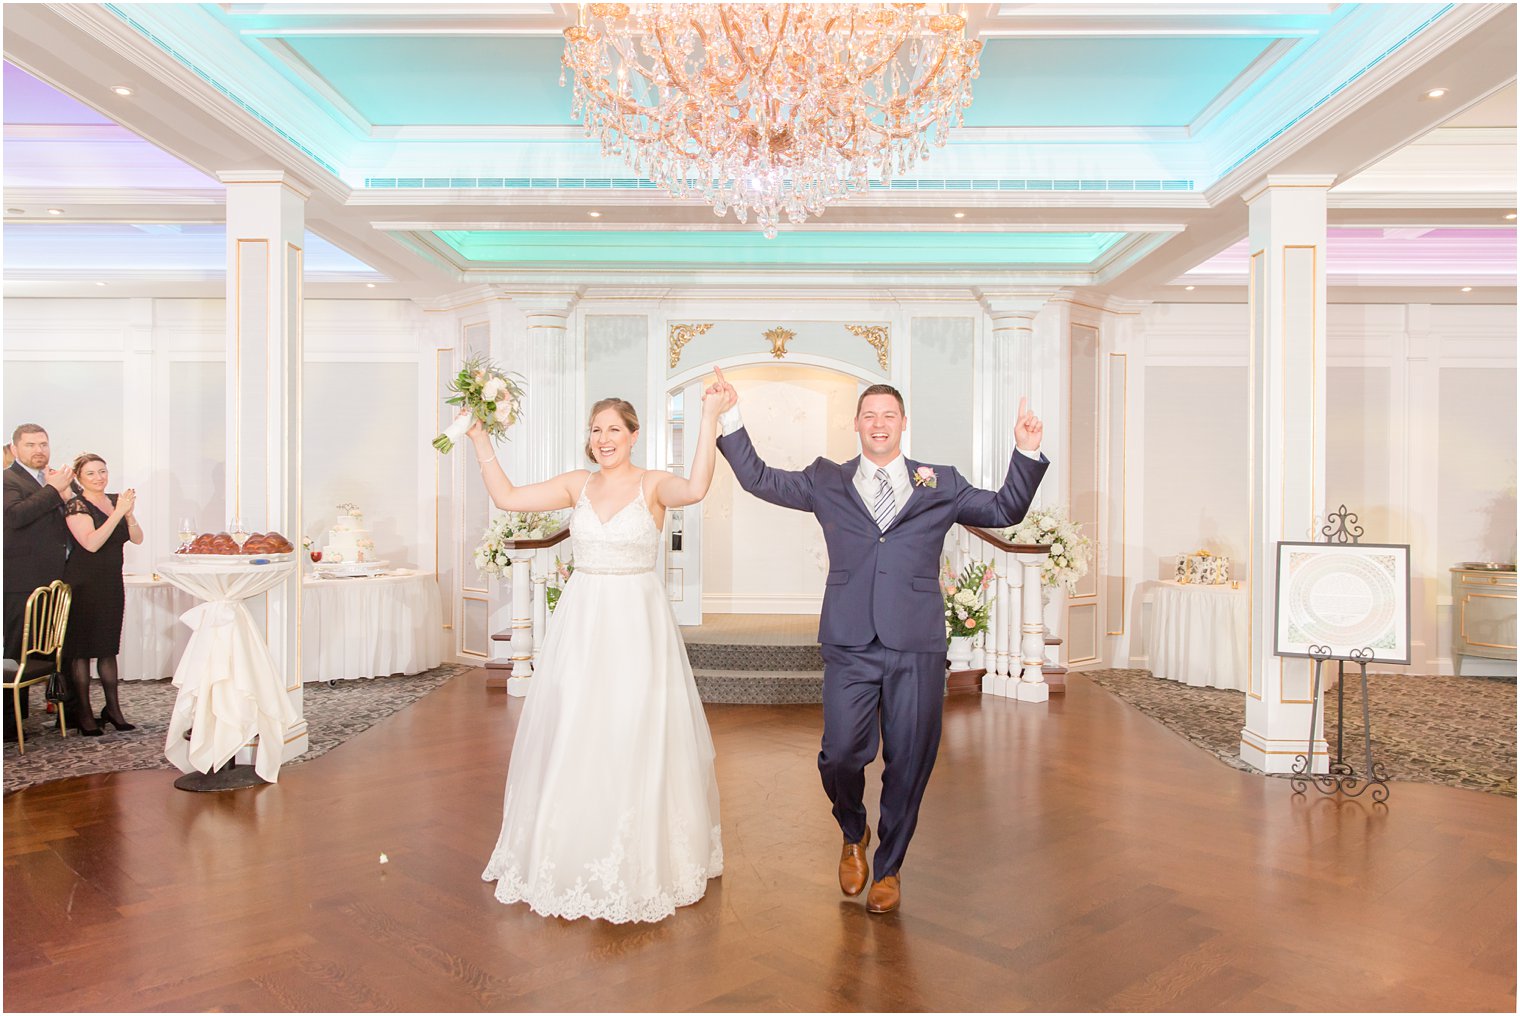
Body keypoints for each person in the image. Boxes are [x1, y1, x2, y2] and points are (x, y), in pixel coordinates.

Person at [711, 368, 1047, 914]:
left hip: (916, 641)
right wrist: (730, 416)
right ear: (856, 425)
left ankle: (889, 867)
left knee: (910, 760)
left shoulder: (942, 482)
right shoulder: (826, 479)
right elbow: (760, 479)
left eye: (889, 415)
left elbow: (1005, 510)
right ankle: (852, 831)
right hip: (850, 638)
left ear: (903, 424)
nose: (879, 423)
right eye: (870, 415)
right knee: (841, 753)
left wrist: (1026, 452)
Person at [472, 391, 726, 923]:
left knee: (633, 727)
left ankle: (641, 848)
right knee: (578, 726)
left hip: (637, 621)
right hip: (583, 621)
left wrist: (709, 418)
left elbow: (698, 488)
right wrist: (479, 441)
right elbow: (509, 497)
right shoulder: (575, 484)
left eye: (613, 430)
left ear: (633, 435)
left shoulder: (654, 484)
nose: (603, 439)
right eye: (596, 430)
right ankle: (572, 841)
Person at [3, 424, 75, 742]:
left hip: (52, 579)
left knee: (46, 654)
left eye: (43, 444)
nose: (39, 450)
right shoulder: (8, 478)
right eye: (31, 444)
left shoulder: (48, 479)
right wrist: (53, 490)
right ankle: (8, 725)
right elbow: (14, 517)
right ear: (15, 448)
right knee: (18, 652)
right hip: (20, 582)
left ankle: (46, 712)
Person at [61, 454, 141, 735]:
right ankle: (84, 714)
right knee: (81, 651)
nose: (99, 477)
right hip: (83, 584)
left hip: (110, 583)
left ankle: (113, 710)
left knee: (108, 648)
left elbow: (137, 537)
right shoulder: (76, 504)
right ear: (79, 477)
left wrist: (128, 515)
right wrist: (119, 512)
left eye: (103, 471)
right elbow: (92, 543)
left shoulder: (114, 499)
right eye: (91, 473)